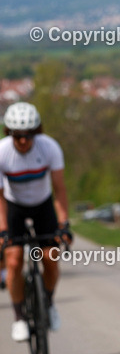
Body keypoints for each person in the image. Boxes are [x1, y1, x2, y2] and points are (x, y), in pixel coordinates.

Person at [0, 102, 71, 341]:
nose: (22, 141)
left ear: (36, 132)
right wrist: (3, 231)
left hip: (43, 204)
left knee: (50, 258)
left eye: (28, 135)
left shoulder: (50, 147)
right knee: (13, 259)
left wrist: (63, 224)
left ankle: (48, 303)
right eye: (17, 135)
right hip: (14, 206)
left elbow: (60, 189)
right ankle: (19, 317)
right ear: (9, 132)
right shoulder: (2, 153)